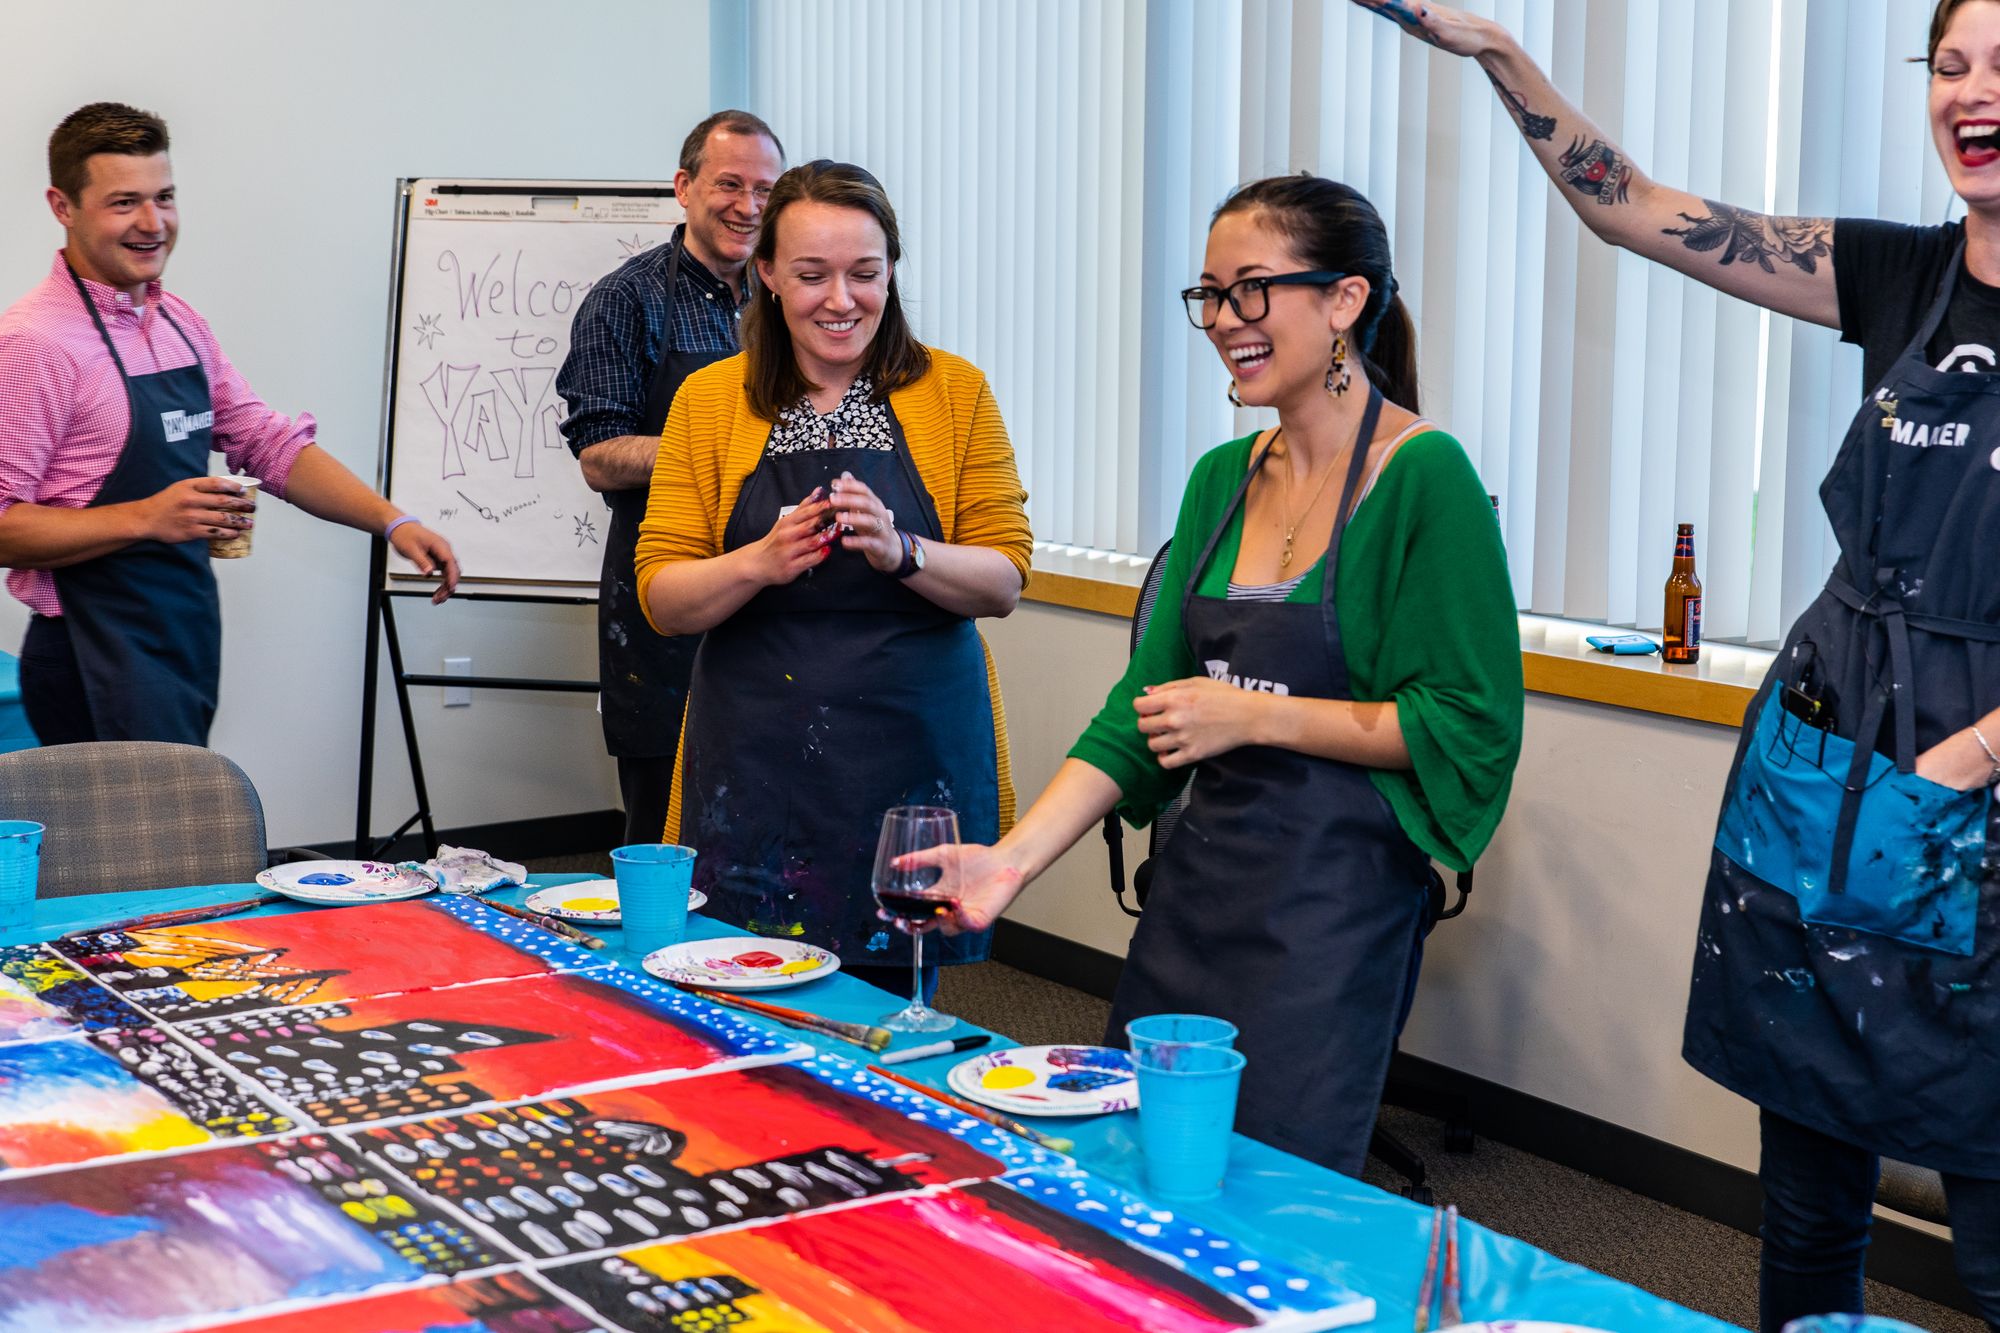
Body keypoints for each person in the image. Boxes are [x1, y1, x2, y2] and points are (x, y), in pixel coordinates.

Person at [1358, 0, 2000, 1324]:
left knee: (1988, 1189)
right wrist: (1497, 52)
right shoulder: (1900, 276)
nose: (1971, 92)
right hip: (1828, 765)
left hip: (1971, 789)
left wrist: (1962, 762)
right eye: (1949, 64)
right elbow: (1634, 204)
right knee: (1813, 1181)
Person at [920, 174, 1524, 1177]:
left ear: (1343, 301)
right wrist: (1008, 861)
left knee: (1273, 1192)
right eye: (1208, 294)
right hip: (1196, 894)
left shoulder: (1424, 477)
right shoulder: (1218, 479)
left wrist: (1247, 714)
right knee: (1136, 1164)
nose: (1222, 321)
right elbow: (1141, 716)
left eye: (1250, 290)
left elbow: (1461, 722)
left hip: (1332, 909)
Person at [634, 160, 1032, 992]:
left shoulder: (954, 393)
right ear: (768, 274)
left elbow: (1001, 577)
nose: (841, 300)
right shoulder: (710, 402)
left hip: (909, 757)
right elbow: (663, 597)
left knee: (891, 1016)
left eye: (866, 273)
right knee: (736, 997)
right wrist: (757, 563)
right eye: (812, 275)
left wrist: (905, 552)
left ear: (893, 268)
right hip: (754, 760)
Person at [0, 103, 458, 748]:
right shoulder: (34, 343)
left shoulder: (179, 322)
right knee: (127, 851)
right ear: (62, 205)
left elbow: (266, 441)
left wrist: (392, 521)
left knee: (177, 845)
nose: (152, 223)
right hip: (88, 657)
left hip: (179, 639)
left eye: (165, 197)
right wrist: (147, 517)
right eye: (124, 202)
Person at [558, 111, 786, 848]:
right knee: (666, 832)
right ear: (684, 187)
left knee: (770, 818)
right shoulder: (626, 301)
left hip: (774, 604)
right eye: (729, 184)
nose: (748, 206)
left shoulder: (791, 300)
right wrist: (710, 447)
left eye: (765, 189)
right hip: (661, 598)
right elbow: (598, 454)